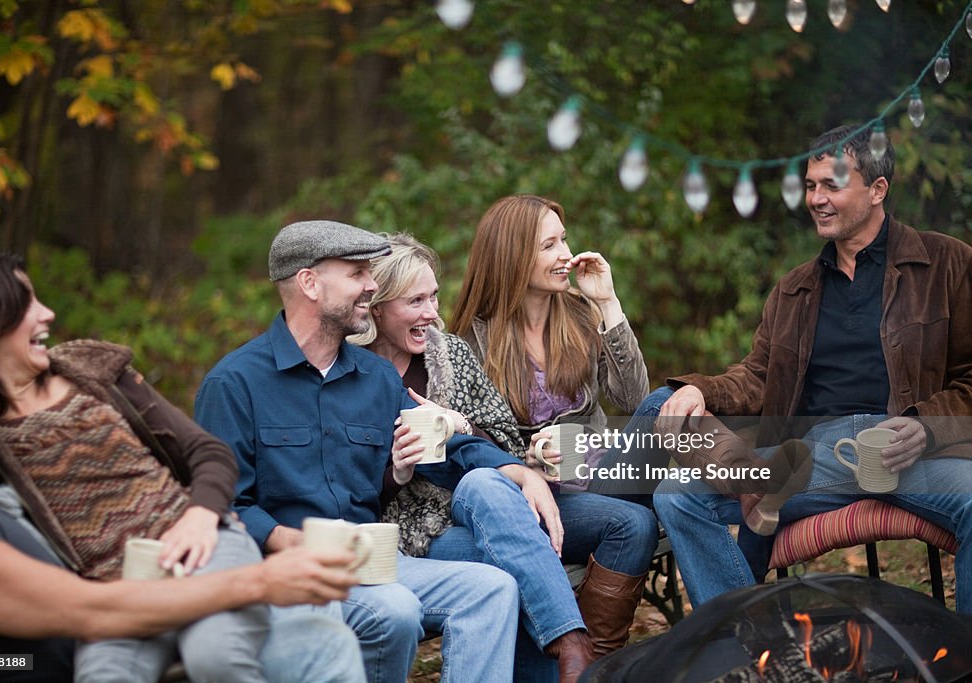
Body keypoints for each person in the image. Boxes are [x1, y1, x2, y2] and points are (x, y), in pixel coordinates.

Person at [0, 252, 340, 683]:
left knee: (217, 656)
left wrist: (201, 514)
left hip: (199, 547)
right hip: (116, 592)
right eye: (28, 304)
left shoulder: (88, 370)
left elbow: (208, 452)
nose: (48, 313)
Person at [645, 124, 972, 611]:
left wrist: (925, 428)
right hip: (816, 457)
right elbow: (757, 377)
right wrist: (702, 391)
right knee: (677, 494)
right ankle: (743, 646)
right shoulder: (794, 290)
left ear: (877, 189)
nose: (816, 198)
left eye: (831, 186)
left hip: (912, 454)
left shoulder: (946, 263)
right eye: (811, 185)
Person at [195, 220, 524, 683]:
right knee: (395, 611)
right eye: (356, 273)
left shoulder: (377, 378)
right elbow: (223, 505)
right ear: (310, 283)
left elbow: (449, 451)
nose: (372, 285)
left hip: (373, 562)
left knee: (492, 589)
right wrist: (288, 539)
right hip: (286, 570)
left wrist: (516, 469)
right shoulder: (234, 384)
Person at [350, 232, 608, 679]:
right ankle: (572, 646)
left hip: (486, 506)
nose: (432, 314)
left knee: (484, 483)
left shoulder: (450, 354)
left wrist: (460, 424)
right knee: (513, 561)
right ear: (378, 308)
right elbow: (345, 488)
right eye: (415, 302)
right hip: (412, 531)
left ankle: (572, 647)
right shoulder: (352, 373)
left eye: (434, 297)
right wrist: (398, 470)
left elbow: (505, 440)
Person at [450, 195, 660, 652]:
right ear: (513, 256)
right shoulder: (473, 340)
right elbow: (474, 447)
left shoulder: (582, 316)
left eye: (563, 240)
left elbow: (634, 400)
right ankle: (592, 659)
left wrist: (608, 302)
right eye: (549, 245)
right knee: (639, 522)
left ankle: (744, 477)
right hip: (544, 501)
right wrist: (527, 459)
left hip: (606, 477)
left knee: (662, 404)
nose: (566, 254)